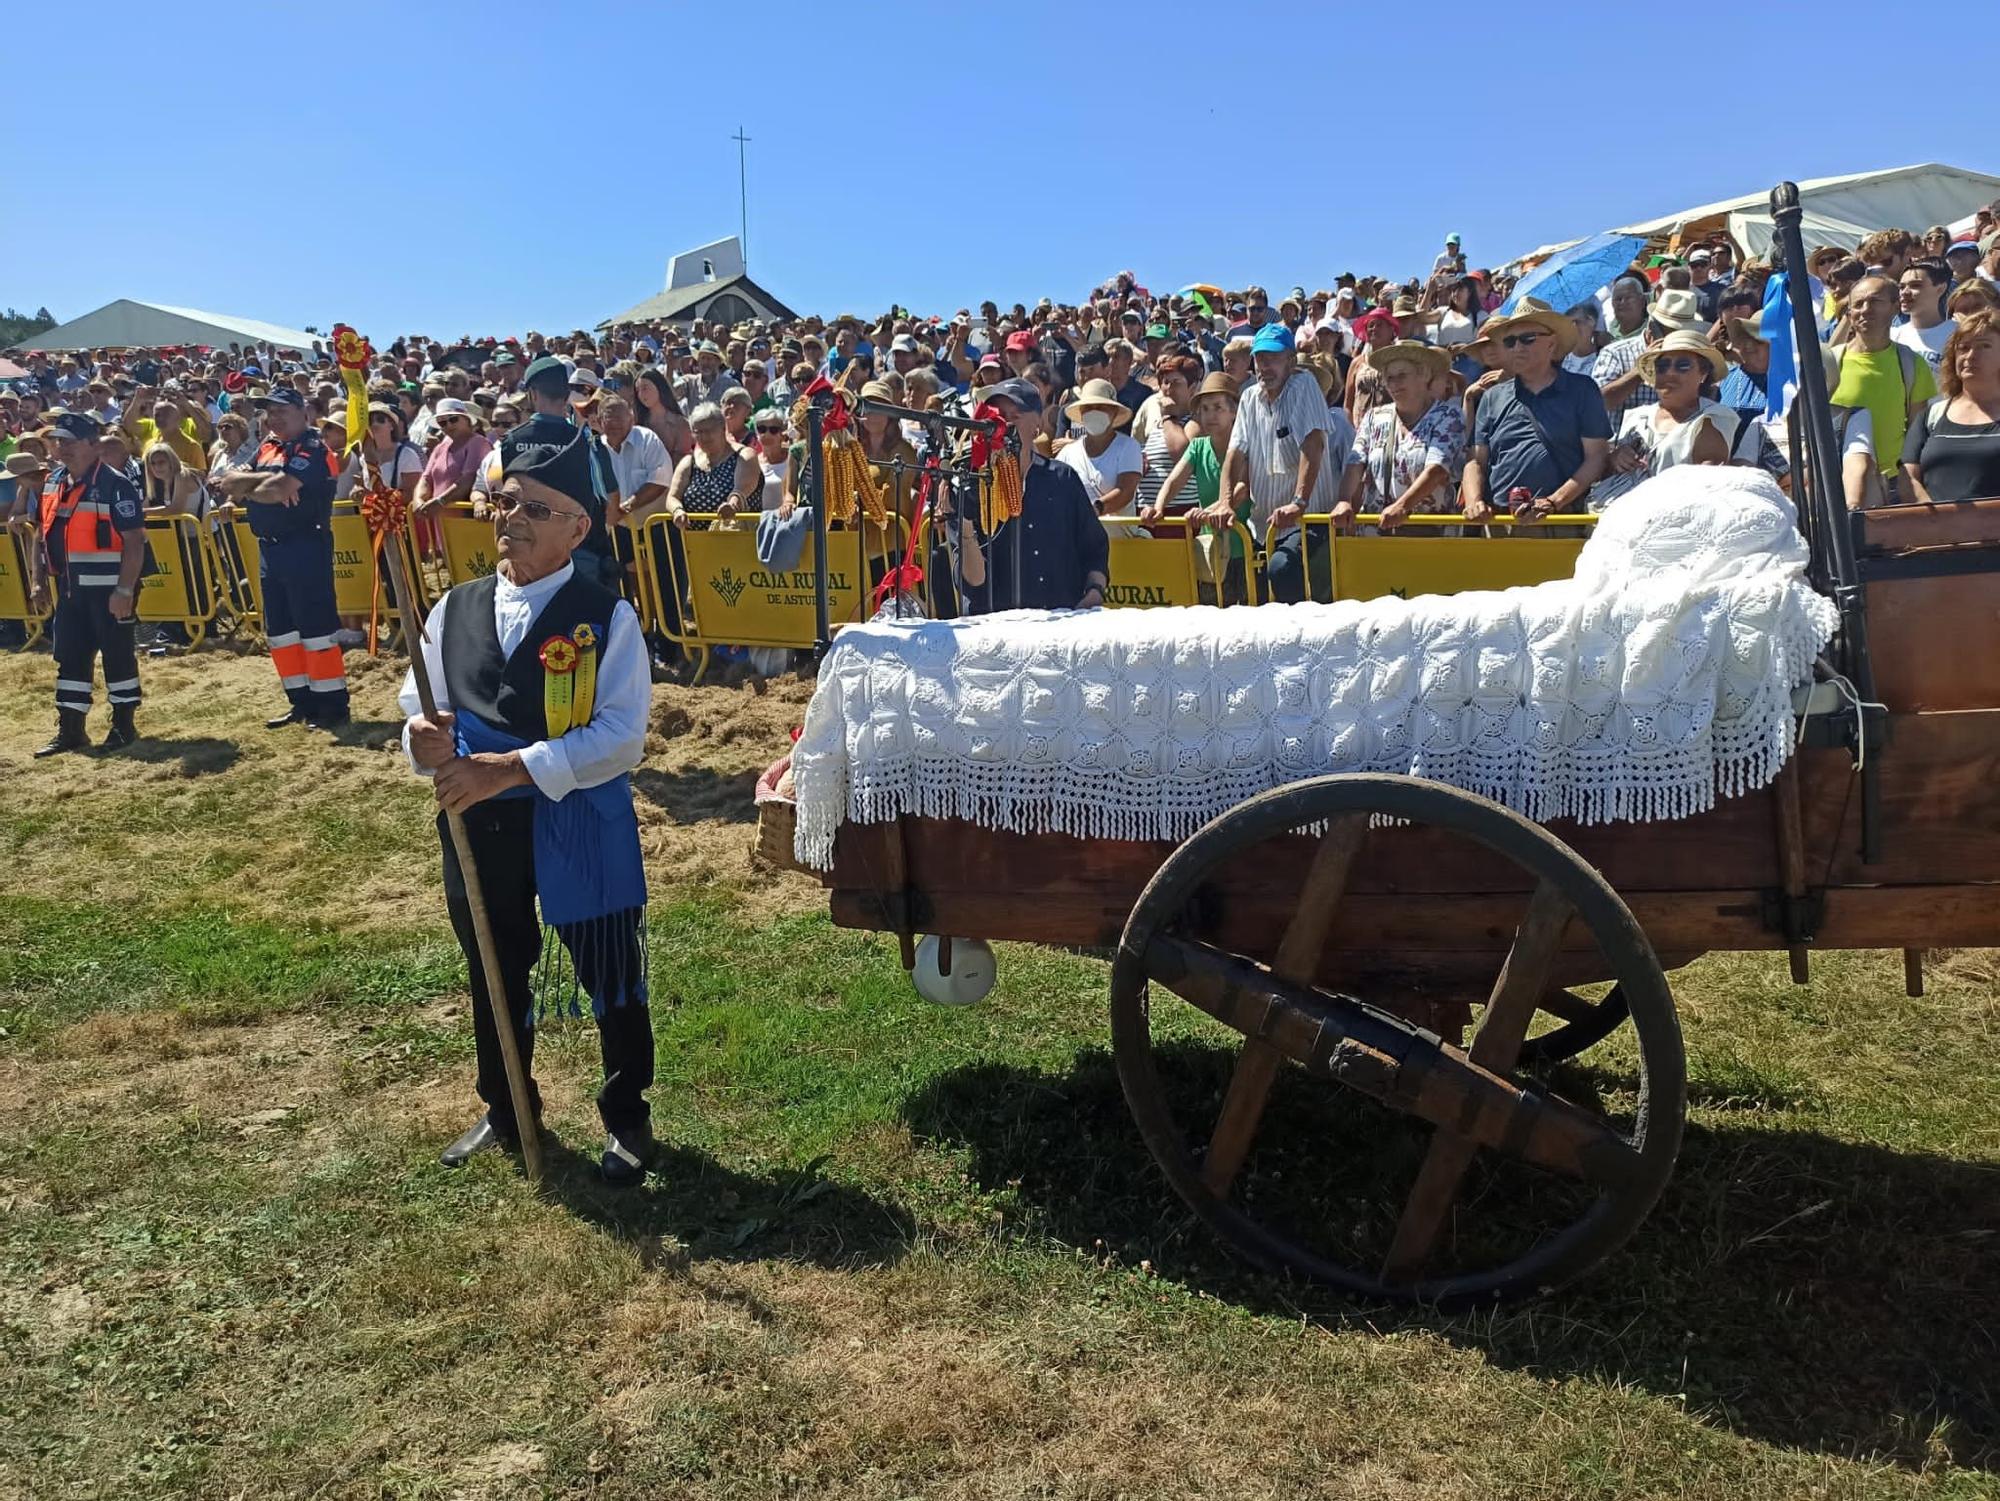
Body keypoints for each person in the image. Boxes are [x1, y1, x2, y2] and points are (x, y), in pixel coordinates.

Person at [400, 421, 656, 1184]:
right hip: (479, 824)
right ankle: (507, 1107)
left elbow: (620, 736)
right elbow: (422, 701)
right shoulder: (455, 607)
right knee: (492, 961)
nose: (510, 517)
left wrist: (509, 768)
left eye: (533, 508)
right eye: (504, 499)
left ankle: (629, 1117)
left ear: (579, 526)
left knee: (608, 966)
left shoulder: (606, 615)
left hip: (576, 816)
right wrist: (420, 735)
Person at [211, 388, 349, 729]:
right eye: (269, 412)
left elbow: (279, 489)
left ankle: (331, 706)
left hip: (306, 545)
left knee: (315, 630)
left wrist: (256, 487)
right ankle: (300, 702)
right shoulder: (267, 445)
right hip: (269, 548)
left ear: (303, 411)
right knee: (281, 633)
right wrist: (261, 484)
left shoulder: (314, 448)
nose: (274, 418)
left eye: (281, 411)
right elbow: (229, 481)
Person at [24, 414, 147, 756]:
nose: (62, 448)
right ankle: (71, 730)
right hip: (69, 589)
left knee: (118, 657)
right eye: (58, 441)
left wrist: (124, 590)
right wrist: (38, 580)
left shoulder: (115, 483)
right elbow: (40, 534)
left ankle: (124, 726)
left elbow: (135, 541)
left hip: (109, 591)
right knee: (70, 659)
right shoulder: (53, 482)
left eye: (70, 441)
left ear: (93, 444)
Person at [949, 378, 1107, 612]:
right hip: (995, 624)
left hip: (1058, 619)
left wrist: (1095, 591)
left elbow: (1094, 548)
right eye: (997, 415)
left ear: (1038, 425)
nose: (1002, 424)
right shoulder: (971, 486)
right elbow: (973, 580)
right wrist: (964, 520)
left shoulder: (1063, 478)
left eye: (1015, 415)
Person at [1462, 297, 1611, 524]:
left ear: (1551, 344)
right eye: (1511, 342)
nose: (1518, 347)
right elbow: (1475, 461)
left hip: (1560, 521)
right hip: (1500, 523)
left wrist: (1554, 501)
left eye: (1528, 339)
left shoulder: (1582, 389)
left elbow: (1596, 457)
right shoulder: (1492, 396)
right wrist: (1474, 502)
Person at [1224, 323, 1342, 603]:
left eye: (1273, 357)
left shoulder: (1304, 384)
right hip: (1263, 522)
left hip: (1308, 518)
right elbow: (1235, 452)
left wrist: (1299, 502)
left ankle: (1303, 642)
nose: (1265, 365)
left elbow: (1312, 446)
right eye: (1260, 358)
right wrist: (1224, 501)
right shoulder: (1249, 397)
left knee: (1282, 568)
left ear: (1291, 360)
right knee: (1250, 585)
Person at [1590, 332, 1737, 509]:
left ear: (1703, 373)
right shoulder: (1636, 416)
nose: (1670, 373)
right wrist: (1614, 459)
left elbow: (1707, 489)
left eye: (1682, 366)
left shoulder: (1712, 419)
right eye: (1662, 366)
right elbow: (1603, 474)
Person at [1335, 341, 1465, 531]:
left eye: (1402, 376)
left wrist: (1403, 506)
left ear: (1424, 375)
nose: (1394, 384)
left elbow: (1437, 470)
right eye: (1389, 378)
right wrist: (1344, 500)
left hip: (1431, 535)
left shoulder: (1448, 415)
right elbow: (1355, 462)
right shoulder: (1373, 417)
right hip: (1376, 534)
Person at [1831, 275, 1938, 500]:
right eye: (1858, 304)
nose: (1865, 309)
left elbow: (1916, 433)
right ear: (1849, 314)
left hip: (1890, 485)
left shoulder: (1911, 364)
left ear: (1895, 308)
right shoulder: (1829, 363)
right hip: (1835, 481)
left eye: (1875, 301)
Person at [1901, 310, 2000, 504]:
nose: (1970, 356)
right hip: (1936, 531)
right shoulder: (1931, 416)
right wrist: (1939, 523)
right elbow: (1908, 478)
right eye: (1963, 348)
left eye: (1984, 346)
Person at [1055, 379, 1143, 518]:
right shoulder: (1067, 453)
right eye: (1088, 407)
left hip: (1119, 537)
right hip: (1077, 537)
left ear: (1114, 412)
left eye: (1101, 407)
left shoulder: (1128, 446)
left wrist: (1095, 509)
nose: (1094, 412)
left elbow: (1125, 491)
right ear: (1081, 413)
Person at [1130, 354, 1200, 517]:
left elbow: (1182, 457)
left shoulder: (1195, 423)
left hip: (1178, 513)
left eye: (1176, 383)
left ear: (1192, 387)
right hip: (1146, 512)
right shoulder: (1157, 425)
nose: (1168, 388)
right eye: (1165, 382)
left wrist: (1168, 417)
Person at [1892, 260, 1955, 376]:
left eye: (1915, 285)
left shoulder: (1957, 334)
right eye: (1901, 287)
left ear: (1940, 289)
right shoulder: (1892, 336)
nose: (1904, 292)